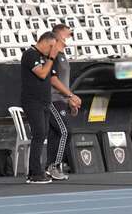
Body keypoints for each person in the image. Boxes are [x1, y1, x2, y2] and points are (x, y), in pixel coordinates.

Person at [21, 31, 66, 184]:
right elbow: (41, 73)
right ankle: (35, 173)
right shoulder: (30, 54)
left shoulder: (45, 58)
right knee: (39, 134)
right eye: (52, 47)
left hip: (44, 102)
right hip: (32, 101)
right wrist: (52, 57)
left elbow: (51, 76)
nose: (52, 50)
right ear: (46, 42)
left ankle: (34, 171)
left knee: (43, 134)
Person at [45, 24, 82, 180]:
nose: (70, 37)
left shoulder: (63, 55)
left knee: (56, 135)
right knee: (65, 132)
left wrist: (69, 99)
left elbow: (62, 81)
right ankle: (54, 166)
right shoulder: (52, 54)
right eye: (69, 34)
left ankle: (49, 168)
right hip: (53, 99)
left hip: (61, 100)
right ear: (60, 36)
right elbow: (53, 80)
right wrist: (71, 95)